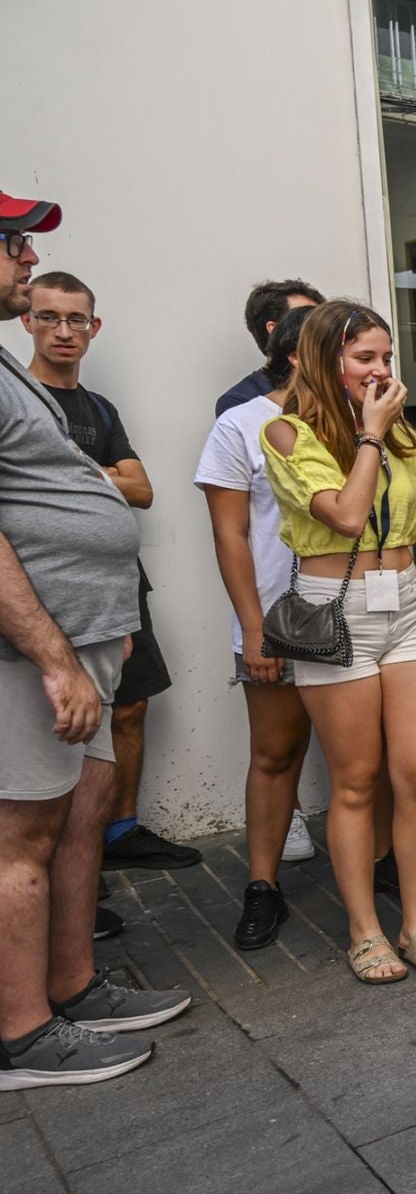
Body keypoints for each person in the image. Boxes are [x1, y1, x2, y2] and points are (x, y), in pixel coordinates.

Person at [0, 190, 191, 1090]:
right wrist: (50, 656)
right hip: (38, 653)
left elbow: (130, 488)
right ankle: (22, 1034)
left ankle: (70, 987)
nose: (26, 261)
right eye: (12, 246)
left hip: (91, 632)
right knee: (18, 840)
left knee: (72, 822)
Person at [260, 301, 416, 983]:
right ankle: (366, 931)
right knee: (354, 780)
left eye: (385, 357)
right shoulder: (286, 433)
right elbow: (346, 514)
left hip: (407, 606)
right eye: (364, 358)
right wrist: (370, 434)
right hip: (333, 611)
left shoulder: (403, 432)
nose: (380, 371)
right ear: (324, 359)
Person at [23, 272, 201, 876]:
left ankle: (116, 832)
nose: (64, 331)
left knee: (129, 707)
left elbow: (144, 490)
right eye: (49, 317)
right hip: (46, 596)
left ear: (94, 328)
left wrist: (75, 473)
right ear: (27, 320)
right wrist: (102, 474)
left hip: (123, 587)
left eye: (77, 320)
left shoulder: (99, 407)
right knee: (54, 722)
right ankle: (56, 856)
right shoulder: (18, 400)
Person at [196, 305, 323, 949]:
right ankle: (262, 888)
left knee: (372, 757)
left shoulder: (360, 423)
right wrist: (254, 629)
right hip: (276, 617)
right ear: (297, 354)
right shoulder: (241, 424)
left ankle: (386, 867)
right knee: (275, 755)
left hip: (358, 614)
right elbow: (231, 534)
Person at [217, 278, 322, 417]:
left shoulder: (340, 385)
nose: (320, 329)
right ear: (274, 329)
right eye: (304, 318)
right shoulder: (239, 401)